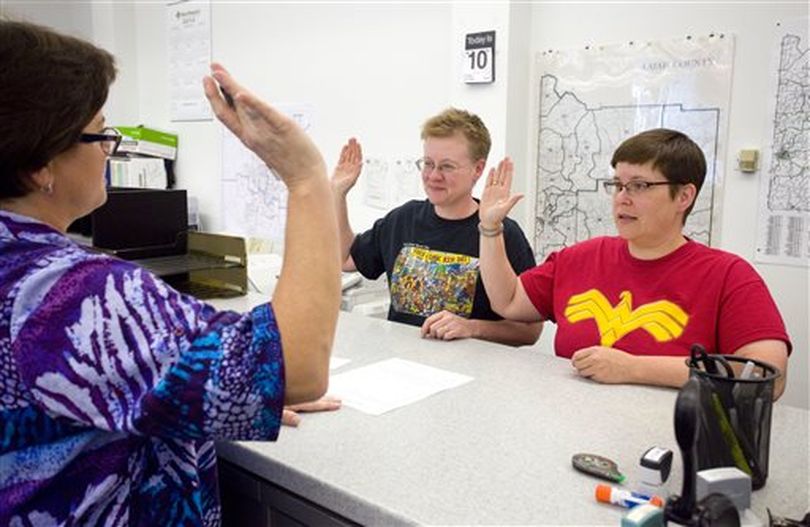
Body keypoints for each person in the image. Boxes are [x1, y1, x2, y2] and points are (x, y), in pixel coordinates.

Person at [0, 20, 341, 525]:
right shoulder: (71, 295)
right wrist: (306, 178)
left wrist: (199, 391)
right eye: (99, 132)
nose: (108, 149)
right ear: (40, 164)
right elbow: (297, 366)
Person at [478, 129, 791, 398]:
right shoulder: (581, 257)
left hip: (670, 436)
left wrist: (634, 368)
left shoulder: (728, 275)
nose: (621, 198)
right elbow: (509, 301)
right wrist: (490, 229)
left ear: (683, 196)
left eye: (639, 186)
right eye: (617, 184)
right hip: (569, 422)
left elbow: (767, 376)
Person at [331, 109, 542, 346]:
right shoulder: (404, 218)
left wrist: (472, 328)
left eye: (447, 167)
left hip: (473, 373)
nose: (433, 176)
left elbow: (529, 331)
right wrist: (338, 195)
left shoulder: (500, 234)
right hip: (400, 365)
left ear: (478, 169)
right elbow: (347, 259)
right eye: (428, 164)